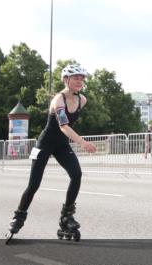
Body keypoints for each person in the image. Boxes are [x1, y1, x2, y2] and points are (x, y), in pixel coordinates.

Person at [6, 64, 97, 242]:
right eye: (76, 78)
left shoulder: (82, 100)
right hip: (45, 143)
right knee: (34, 184)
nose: (80, 81)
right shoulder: (58, 100)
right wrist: (82, 142)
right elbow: (63, 126)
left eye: (82, 78)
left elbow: (67, 129)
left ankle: (66, 216)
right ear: (66, 80)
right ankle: (18, 216)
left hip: (61, 145)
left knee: (76, 175)